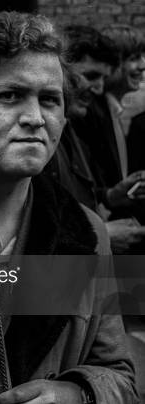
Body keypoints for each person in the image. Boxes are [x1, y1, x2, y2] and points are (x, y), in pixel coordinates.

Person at [0, 12, 137, 404]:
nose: (36, 118)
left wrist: (81, 397)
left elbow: (120, 375)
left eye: (49, 99)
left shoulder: (85, 231)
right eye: (9, 96)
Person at [45, 25, 145, 254]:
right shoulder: (46, 136)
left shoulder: (71, 130)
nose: (99, 89)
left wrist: (110, 196)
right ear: (61, 70)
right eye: (91, 76)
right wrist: (104, 233)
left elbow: (75, 200)